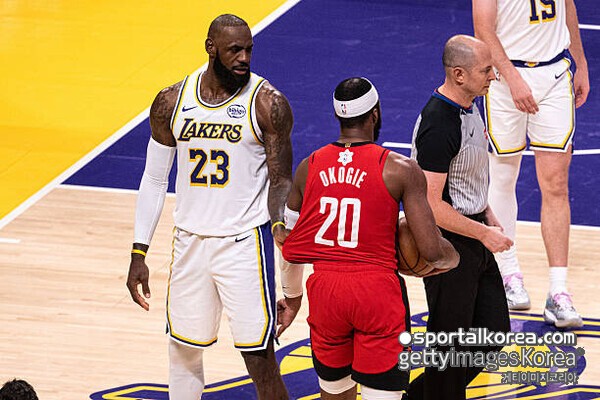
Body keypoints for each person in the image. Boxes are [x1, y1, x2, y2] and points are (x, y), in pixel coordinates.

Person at [125, 14, 294, 400]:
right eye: (235, 50)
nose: (244, 58)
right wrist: (138, 251)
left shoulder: (268, 103)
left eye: (249, 49)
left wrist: (279, 223)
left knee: (260, 360)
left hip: (243, 245)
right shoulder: (172, 102)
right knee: (182, 352)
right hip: (190, 242)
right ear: (210, 48)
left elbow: (281, 178)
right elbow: (154, 179)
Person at [282, 77, 459, 400]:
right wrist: (452, 256)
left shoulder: (309, 167)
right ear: (375, 113)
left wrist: (292, 296)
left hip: (326, 293)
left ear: (338, 116)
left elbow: (290, 242)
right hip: (376, 293)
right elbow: (431, 252)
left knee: (334, 393)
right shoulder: (400, 168)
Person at [405, 35, 512, 400]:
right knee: (450, 350)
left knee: (491, 335)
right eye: (486, 70)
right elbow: (430, 204)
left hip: (472, 231)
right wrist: (483, 233)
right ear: (459, 74)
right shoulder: (439, 123)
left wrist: (486, 210)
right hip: (447, 243)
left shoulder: (469, 104)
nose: (493, 76)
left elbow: (466, 173)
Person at [473, 0, 589, 327]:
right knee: (503, 175)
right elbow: (483, 28)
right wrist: (513, 79)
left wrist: (580, 61)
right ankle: (508, 274)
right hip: (502, 78)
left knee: (556, 184)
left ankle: (559, 291)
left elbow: (567, 6)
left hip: (554, 75)